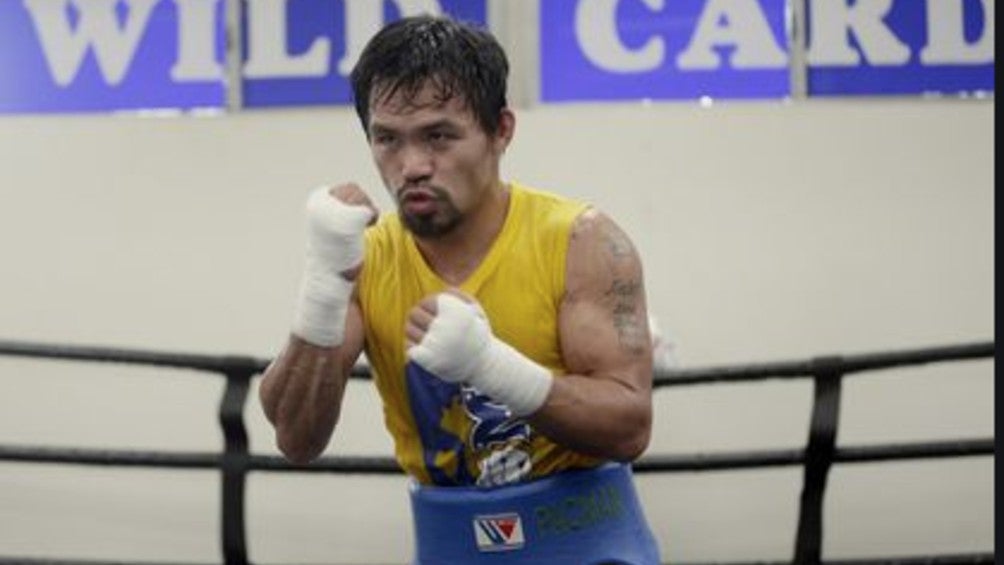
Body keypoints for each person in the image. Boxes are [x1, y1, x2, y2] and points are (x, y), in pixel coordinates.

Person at [258, 14, 661, 564]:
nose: (412, 166)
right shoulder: (366, 257)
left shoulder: (581, 242)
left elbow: (629, 427)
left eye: (439, 136)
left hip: (590, 547)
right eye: (387, 138)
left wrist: (492, 367)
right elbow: (296, 438)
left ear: (501, 131)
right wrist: (322, 288)